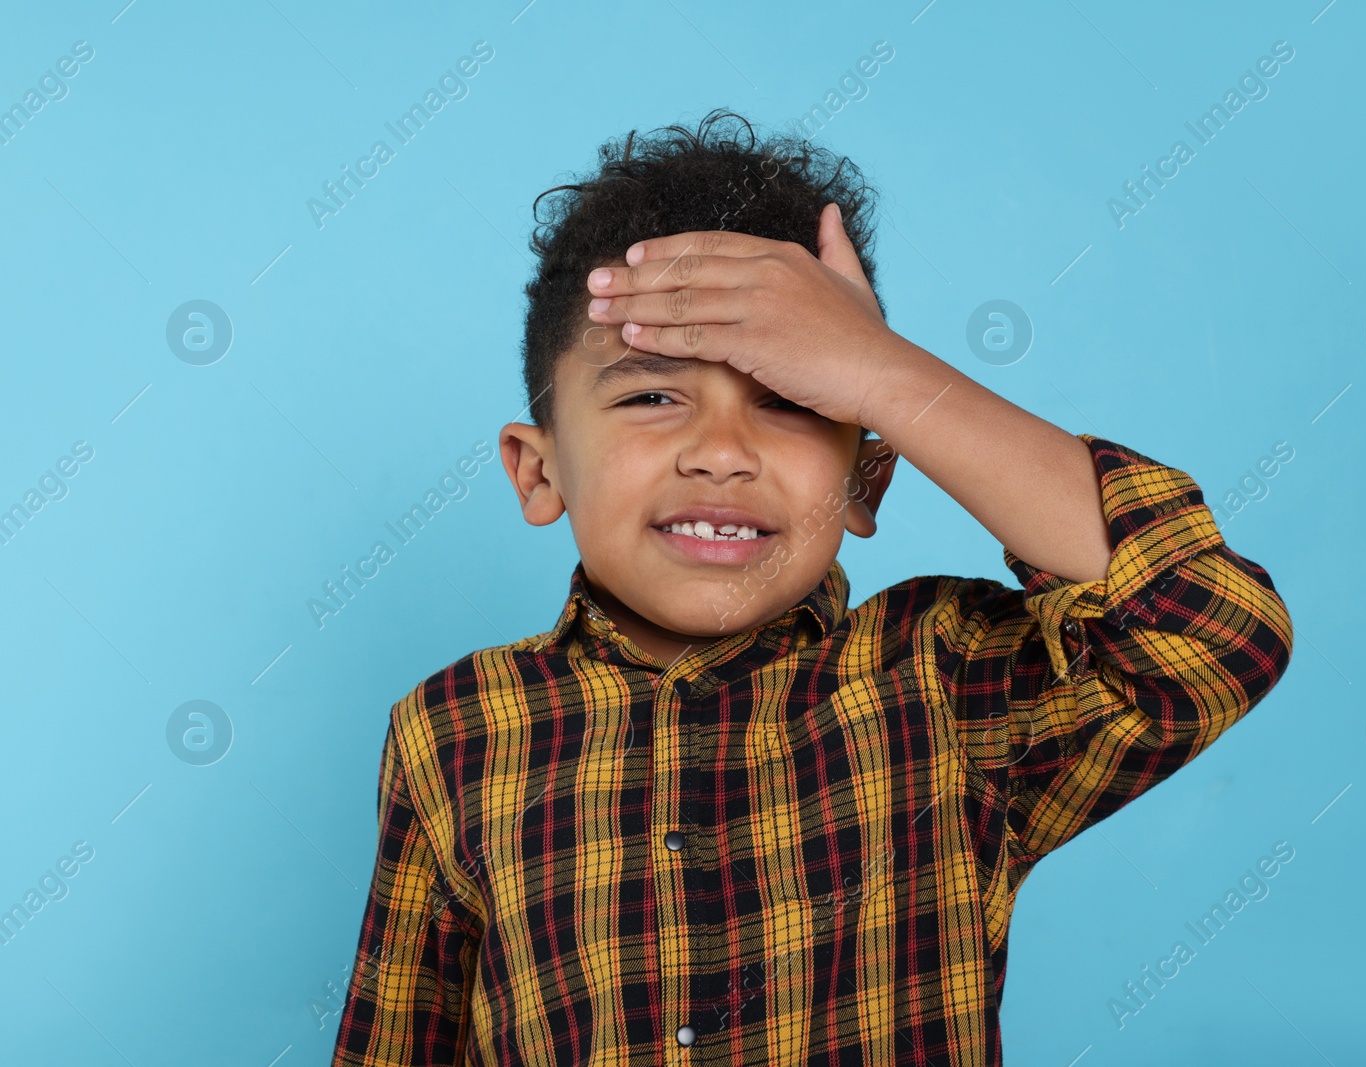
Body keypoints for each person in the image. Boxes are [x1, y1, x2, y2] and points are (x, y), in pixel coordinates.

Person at [330, 108, 1293, 1066]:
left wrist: (880, 371)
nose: (720, 452)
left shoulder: (946, 682)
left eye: (792, 401)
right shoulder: (452, 733)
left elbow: (1209, 629)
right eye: (652, 394)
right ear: (538, 471)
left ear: (869, 478)